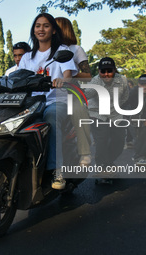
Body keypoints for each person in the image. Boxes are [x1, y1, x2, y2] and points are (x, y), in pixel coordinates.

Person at [18, 13, 78, 190]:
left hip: (55, 100)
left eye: (45, 26)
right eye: (37, 25)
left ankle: (56, 169)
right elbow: (18, 77)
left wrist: (62, 81)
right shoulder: (27, 57)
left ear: (53, 30)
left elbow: (68, 75)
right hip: (31, 103)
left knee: (50, 119)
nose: (41, 29)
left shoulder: (61, 51)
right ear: (33, 29)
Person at [55, 17, 92, 167]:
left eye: (54, 27)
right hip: (49, 89)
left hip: (71, 89)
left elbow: (88, 75)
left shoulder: (76, 49)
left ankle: (85, 152)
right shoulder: (46, 49)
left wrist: (68, 75)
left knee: (78, 110)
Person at [84, 57, 129, 171]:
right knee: (102, 139)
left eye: (109, 71)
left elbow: (124, 98)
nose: (106, 74)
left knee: (119, 141)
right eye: (103, 71)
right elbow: (85, 96)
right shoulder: (95, 81)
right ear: (99, 72)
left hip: (115, 113)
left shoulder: (122, 80)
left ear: (114, 70)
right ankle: (101, 165)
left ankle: (108, 162)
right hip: (97, 112)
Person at [129, 74, 146, 163]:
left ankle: (145, 155)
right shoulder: (132, 93)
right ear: (138, 84)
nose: (145, 87)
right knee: (140, 137)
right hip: (133, 119)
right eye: (142, 84)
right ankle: (138, 157)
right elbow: (125, 106)